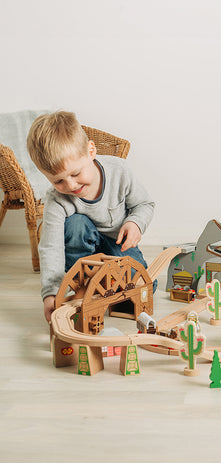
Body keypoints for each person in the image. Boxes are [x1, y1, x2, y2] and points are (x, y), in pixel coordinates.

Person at [27, 111, 155, 323]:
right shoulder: (57, 199)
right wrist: (50, 293)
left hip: (118, 246)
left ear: (91, 151)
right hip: (84, 258)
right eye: (58, 181)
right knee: (76, 224)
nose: (70, 186)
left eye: (76, 174)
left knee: (141, 288)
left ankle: (108, 287)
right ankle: (87, 285)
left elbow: (144, 204)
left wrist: (135, 223)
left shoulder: (119, 171)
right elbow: (51, 247)